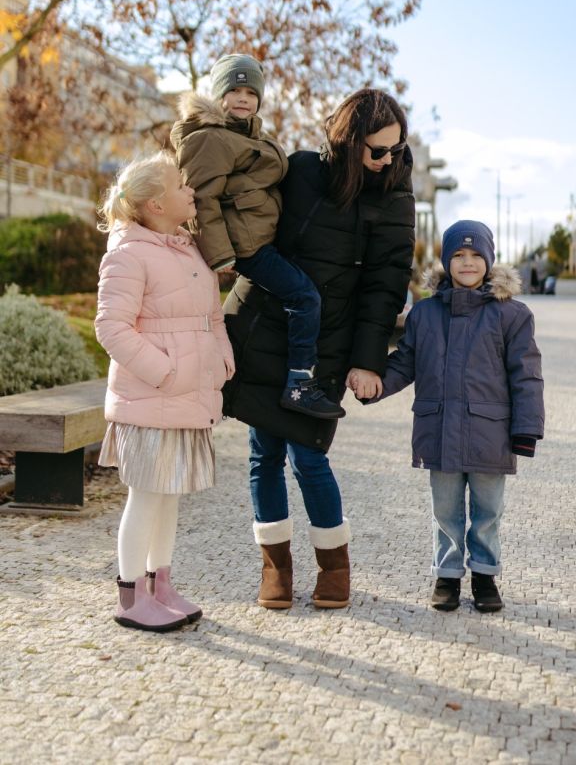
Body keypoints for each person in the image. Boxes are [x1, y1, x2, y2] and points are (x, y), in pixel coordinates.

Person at [221, 88, 416, 610]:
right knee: (264, 455)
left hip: (330, 343)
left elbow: (386, 285)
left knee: (310, 456)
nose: (387, 161)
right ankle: (275, 568)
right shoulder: (302, 170)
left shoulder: (396, 197)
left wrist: (368, 359)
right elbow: (247, 210)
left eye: (396, 150)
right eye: (377, 151)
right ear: (348, 143)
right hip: (267, 330)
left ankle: (334, 568)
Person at [369, 220, 544, 613]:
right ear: (446, 262)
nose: (467, 263)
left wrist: (526, 430)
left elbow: (526, 374)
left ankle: (484, 576)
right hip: (439, 429)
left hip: (490, 433)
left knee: (487, 512)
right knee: (445, 510)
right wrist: (377, 383)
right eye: (458, 256)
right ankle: (447, 576)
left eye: (475, 255)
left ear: (489, 261)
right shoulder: (425, 315)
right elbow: (406, 362)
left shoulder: (511, 315)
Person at [95, 152, 235, 632]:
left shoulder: (187, 247)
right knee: (147, 495)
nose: (190, 190)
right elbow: (111, 327)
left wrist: (221, 358)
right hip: (153, 396)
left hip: (186, 394)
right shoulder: (128, 254)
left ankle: (162, 584)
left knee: (169, 495)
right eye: (181, 184)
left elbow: (210, 315)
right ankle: (131, 597)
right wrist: (164, 372)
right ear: (156, 203)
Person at [170, 53, 342, 420]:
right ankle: (299, 384)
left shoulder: (248, 136)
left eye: (251, 91)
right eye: (235, 90)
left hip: (262, 238)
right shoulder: (210, 139)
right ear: (219, 96)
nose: (244, 98)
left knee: (286, 300)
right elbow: (200, 198)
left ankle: (238, 376)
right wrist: (220, 256)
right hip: (246, 246)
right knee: (304, 296)